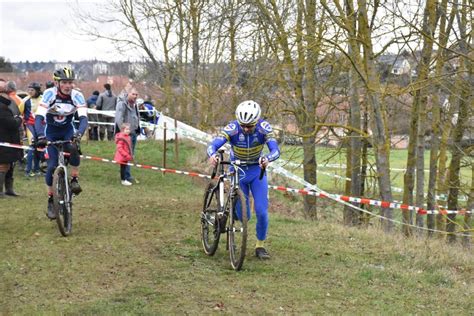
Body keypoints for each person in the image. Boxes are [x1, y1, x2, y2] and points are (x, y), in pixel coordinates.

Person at [207, 100, 280, 260]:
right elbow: (213, 144)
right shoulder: (232, 128)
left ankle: (260, 246)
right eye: (243, 126)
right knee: (244, 216)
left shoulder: (263, 128)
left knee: (261, 212)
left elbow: (276, 150)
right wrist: (212, 154)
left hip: (256, 172)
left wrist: (267, 158)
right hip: (238, 171)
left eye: (250, 126)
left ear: (256, 122)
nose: (246, 129)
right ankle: (233, 211)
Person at [34, 67, 88, 220]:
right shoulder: (49, 94)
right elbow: (39, 118)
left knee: (74, 148)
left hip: (68, 130)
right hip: (50, 131)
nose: (68, 85)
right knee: (51, 167)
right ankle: (51, 200)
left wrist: (79, 134)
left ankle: (74, 179)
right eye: (64, 82)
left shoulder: (77, 95)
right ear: (57, 83)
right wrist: (39, 136)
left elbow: (83, 118)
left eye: (70, 82)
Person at [114, 87, 140, 184]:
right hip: (125, 135)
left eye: (136, 94)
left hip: (133, 133)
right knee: (125, 155)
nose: (135, 96)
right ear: (128, 94)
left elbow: (136, 116)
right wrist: (122, 133)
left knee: (130, 154)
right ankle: (125, 177)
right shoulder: (121, 104)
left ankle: (127, 175)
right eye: (133, 94)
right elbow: (119, 118)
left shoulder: (134, 105)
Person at [0, 92, 23, 197]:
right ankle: (0, 191)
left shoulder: (8, 106)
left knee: (10, 165)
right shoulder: (2, 108)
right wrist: (19, 119)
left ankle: (9, 189)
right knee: (3, 166)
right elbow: (11, 124)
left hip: (11, 141)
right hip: (5, 141)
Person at [23, 82, 44, 177]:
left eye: (32, 90)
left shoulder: (43, 99)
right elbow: (18, 111)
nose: (30, 92)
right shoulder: (25, 100)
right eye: (29, 90)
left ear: (38, 91)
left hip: (41, 126)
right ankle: (28, 170)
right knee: (32, 147)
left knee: (39, 147)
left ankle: (36, 168)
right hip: (30, 125)